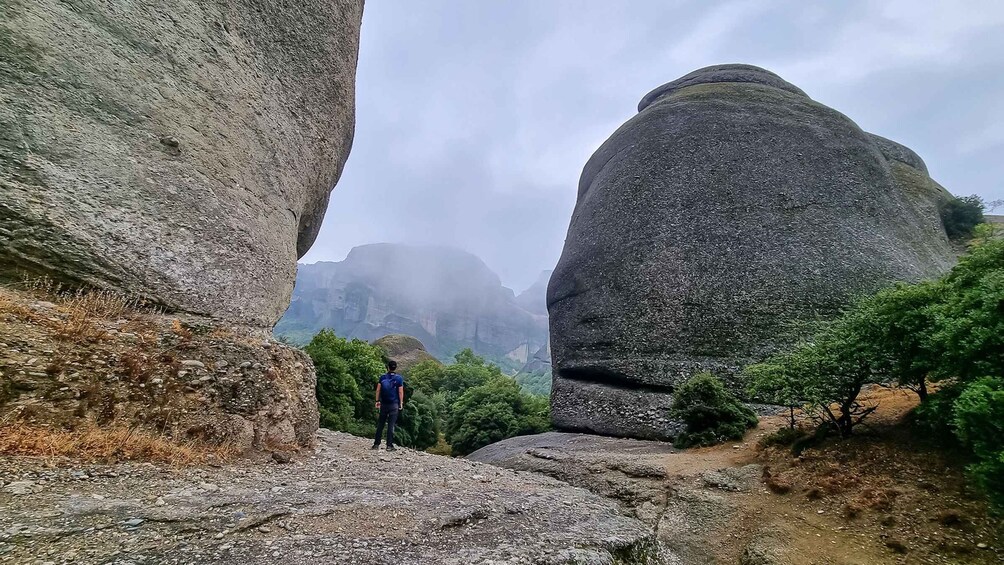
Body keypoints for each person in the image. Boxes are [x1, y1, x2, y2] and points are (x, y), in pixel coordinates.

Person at [372, 360, 404, 451]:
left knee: (380, 424)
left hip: (384, 404)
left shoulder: (382, 377)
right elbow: (400, 391)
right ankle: (389, 446)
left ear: (388, 367)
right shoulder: (399, 378)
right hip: (394, 404)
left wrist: (377, 400)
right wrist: (401, 403)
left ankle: (376, 444)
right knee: (391, 425)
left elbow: (378, 390)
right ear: (395, 367)